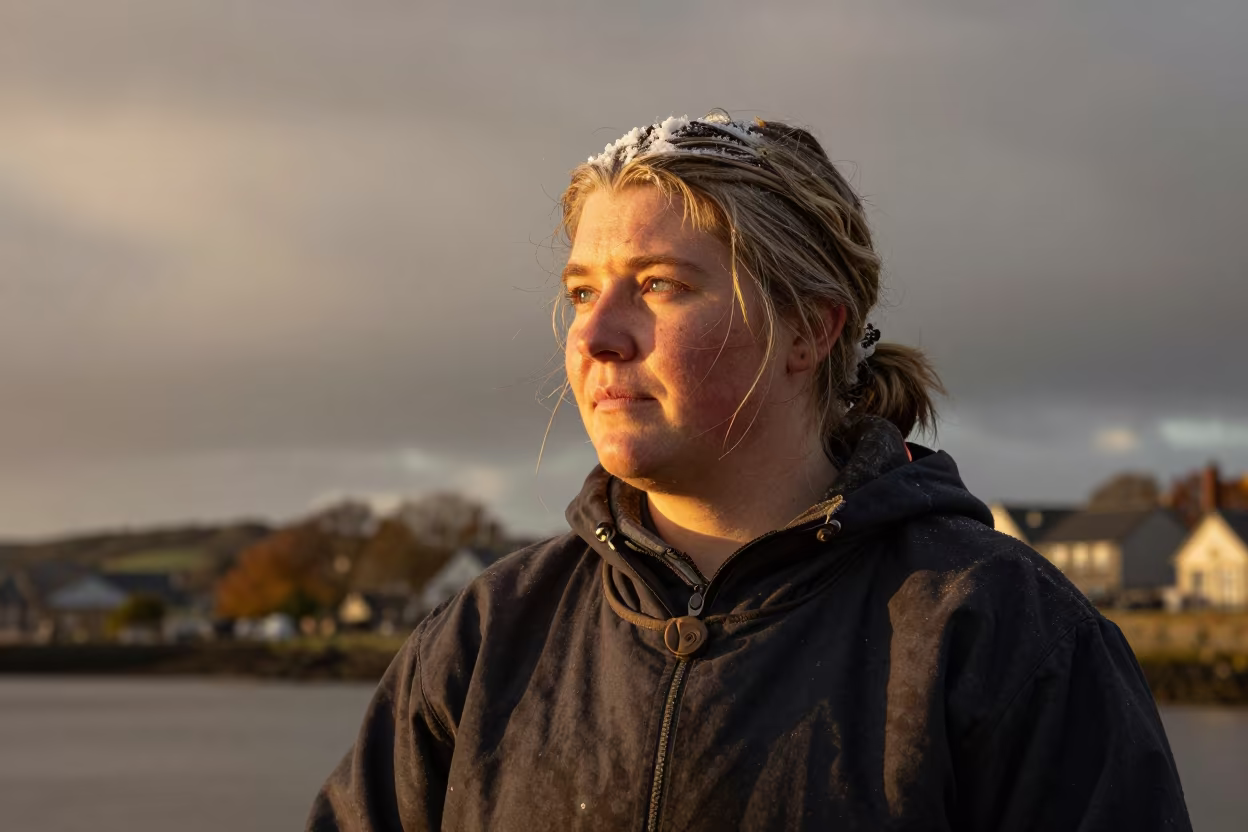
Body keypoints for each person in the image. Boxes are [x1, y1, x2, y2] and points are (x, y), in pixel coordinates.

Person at [307, 113, 1191, 831]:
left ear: (809, 331)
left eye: (656, 285)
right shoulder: (484, 639)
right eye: (581, 291)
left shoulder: (1001, 633)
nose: (593, 336)